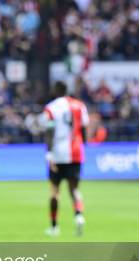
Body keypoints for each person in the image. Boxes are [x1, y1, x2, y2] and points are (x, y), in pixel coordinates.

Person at [41, 81, 89, 237]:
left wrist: (48, 153)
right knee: (74, 189)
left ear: (55, 91)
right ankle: (79, 216)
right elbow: (83, 128)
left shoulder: (51, 108)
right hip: (75, 151)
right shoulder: (79, 105)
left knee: (54, 191)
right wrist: (83, 145)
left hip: (57, 153)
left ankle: (54, 228)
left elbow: (49, 130)